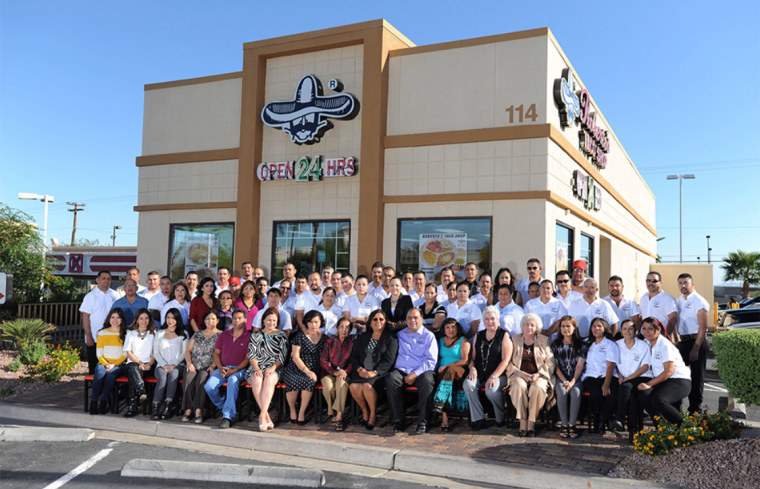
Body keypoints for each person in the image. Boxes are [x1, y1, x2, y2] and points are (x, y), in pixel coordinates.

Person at [387, 308, 438, 433]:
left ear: (421, 319)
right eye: (409, 318)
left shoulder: (428, 336)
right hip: (402, 371)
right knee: (391, 379)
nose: (412, 320)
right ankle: (399, 421)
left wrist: (415, 374)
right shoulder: (400, 334)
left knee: (427, 381)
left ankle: (423, 421)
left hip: (421, 372)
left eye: (415, 317)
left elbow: (431, 361)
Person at [349, 310, 398, 430]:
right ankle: (364, 411)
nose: (378, 322)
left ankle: (372, 414)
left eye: (381, 319)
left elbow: (389, 360)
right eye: (375, 319)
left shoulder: (391, 338)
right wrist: (359, 369)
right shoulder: (363, 337)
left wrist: (374, 372)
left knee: (367, 386)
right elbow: (353, 356)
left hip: (379, 374)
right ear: (370, 322)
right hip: (362, 371)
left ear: (385, 321)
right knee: (353, 386)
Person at [506, 313, 554, 437]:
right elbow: (507, 361)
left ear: (537, 327)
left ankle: (531, 422)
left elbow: (550, 362)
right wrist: (520, 373)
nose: (529, 327)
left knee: (538, 388)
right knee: (518, 386)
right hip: (518, 374)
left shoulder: (543, 340)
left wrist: (539, 374)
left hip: (539, 376)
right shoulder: (514, 339)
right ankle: (522, 421)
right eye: (527, 324)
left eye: (532, 325)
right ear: (522, 326)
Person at [464, 306, 512, 430]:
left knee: (491, 391)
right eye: (487, 319)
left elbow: (505, 360)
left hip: (498, 374)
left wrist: (493, 376)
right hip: (479, 373)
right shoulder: (478, 335)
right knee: (468, 384)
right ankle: (478, 419)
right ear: (483, 321)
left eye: (492, 319)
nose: (490, 322)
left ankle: (500, 417)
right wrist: (472, 368)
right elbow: (472, 358)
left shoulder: (504, 335)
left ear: (498, 320)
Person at [637, 317, 691, 426]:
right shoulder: (647, 343)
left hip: (678, 381)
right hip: (664, 381)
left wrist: (648, 384)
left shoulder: (664, 345)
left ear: (658, 330)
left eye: (650, 329)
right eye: (644, 328)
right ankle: (663, 428)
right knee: (644, 395)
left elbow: (669, 371)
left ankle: (688, 428)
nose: (647, 332)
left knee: (659, 400)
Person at [205, 309, 251, 429]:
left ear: (245, 320)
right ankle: (224, 404)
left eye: (240, 318)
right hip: (223, 368)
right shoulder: (224, 335)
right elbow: (216, 353)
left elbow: (247, 359)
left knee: (232, 381)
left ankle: (227, 416)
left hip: (239, 369)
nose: (236, 321)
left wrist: (234, 371)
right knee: (209, 386)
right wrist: (220, 368)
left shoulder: (249, 337)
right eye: (235, 318)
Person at [248, 307, 289, 431]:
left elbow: (283, 356)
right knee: (257, 379)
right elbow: (252, 354)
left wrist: (273, 367)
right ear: (264, 320)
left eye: (274, 321)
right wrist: (257, 369)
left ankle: (262, 415)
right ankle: (265, 415)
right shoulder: (256, 335)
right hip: (257, 367)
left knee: (269, 378)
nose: (272, 323)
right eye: (269, 320)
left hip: (275, 367)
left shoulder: (282, 335)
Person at [282, 310, 326, 424]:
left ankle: (302, 412)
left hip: (314, 369)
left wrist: (311, 372)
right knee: (294, 382)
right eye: (310, 322)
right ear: (306, 323)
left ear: (321, 323)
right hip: (296, 367)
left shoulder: (324, 338)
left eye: (316, 322)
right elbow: (295, 357)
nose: (313, 325)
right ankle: (292, 409)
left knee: (309, 381)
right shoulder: (299, 336)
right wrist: (306, 370)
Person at [675, 273, 710, 414]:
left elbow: (703, 327)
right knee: (677, 376)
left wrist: (695, 348)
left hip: (697, 342)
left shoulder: (699, 301)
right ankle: (676, 410)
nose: (683, 286)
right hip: (683, 342)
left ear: (692, 284)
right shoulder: (678, 301)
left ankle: (695, 411)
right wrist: (677, 340)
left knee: (696, 379)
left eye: (686, 283)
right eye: (680, 283)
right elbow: (675, 322)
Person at [550, 315, 588, 439]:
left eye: (568, 326)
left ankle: (572, 425)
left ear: (574, 328)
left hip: (576, 377)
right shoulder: (555, 345)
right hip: (561, 377)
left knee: (575, 392)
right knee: (561, 391)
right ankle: (564, 424)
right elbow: (555, 366)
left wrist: (572, 381)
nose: (565, 329)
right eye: (563, 326)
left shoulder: (581, 345)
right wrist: (565, 381)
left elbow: (580, 365)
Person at [614, 319, 651, 442]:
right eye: (624, 328)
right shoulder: (617, 345)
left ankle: (619, 418)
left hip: (642, 376)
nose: (627, 331)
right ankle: (633, 431)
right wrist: (620, 376)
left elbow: (645, 366)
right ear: (621, 331)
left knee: (626, 387)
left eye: (630, 328)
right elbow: (616, 363)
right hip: (624, 379)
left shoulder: (643, 345)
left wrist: (627, 379)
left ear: (635, 331)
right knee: (632, 399)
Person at [181, 309, 221, 423]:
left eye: (213, 318)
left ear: (217, 320)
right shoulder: (197, 334)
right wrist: (189, 363)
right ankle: (188, 409)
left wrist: (213, 366)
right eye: (208, 318)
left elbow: (219, 353)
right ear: (204, 321)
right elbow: (188, 351)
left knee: (201, 379)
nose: (210, 321)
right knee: (188, 378)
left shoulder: (221, 335)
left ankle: (198, 410)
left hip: (208, 366)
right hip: (194, 364)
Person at [581, 317, 619, 434]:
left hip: (607, 375)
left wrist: (606, 384)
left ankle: (602, 419)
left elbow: (610, 365)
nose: (596, 328)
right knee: (597, 394)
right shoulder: (587, 343)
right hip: (591, 376)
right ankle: (599, 421)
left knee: (613, 394)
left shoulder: (610, 344)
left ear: (605, 328)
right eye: (594, 326)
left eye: (599, 326)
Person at [433, 318, 471, 431]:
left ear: (457, 328)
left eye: (453, 327)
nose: (451, 330)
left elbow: (465, 360)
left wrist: (447, 366)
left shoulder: (463, 340)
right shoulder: (440, 341)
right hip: (443, 374)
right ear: (443, 330)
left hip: (459, 371)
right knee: (443, 379)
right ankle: (444, 419)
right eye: (447, 327)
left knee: (449, 371)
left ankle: (439, 406)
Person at [152, 308, 188, 420]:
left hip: (178, 365)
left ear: (177, 319)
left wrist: (174, 364)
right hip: (161, 365)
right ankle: (156, 407)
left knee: (173, 374)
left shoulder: (183, 334)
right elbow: (156, 352)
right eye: (168, 317)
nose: (170, 320)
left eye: (173, 318)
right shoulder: (159, 333)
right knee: (162, 377)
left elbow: (184, 352)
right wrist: (164, 364)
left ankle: (168, 406)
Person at [90, 308, 128, 415]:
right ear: (109, 318)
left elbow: (125, 353)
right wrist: (106, 364)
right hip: (104, 363)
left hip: (119, 364)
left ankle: (104, 401)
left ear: (122, 319)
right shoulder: (102, 333)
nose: (115, 320)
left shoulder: (126, 333)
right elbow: (99, 353)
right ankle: (93, 402)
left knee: (111, 375)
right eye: (113, 317)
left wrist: (114, 364)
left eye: (118, 318)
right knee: (100, 373)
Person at [80, 270, 119, 374]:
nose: (106, 281)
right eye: (103, 278)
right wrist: (88, 336)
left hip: (112, 338)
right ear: (97, 280)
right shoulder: (90, 296)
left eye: (108, 279)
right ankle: (95, 389)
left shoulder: (115, 295)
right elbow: (85, 317)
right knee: (94, 367)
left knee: (110, 367)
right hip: (94, 338)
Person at [320, 317, 354, 431]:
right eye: (342, 327)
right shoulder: (329, 342)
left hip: (344, 373)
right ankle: (333, 411)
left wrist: (346, 371)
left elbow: (354, 361)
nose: (344, 329)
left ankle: (338, 416)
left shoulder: (352, 344)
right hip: (329, 372)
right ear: (337, 328)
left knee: (341, 386)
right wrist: (334, 372)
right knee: (328, 387)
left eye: (347, 327)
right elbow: (323, 360)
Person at [122, 308, 156, 418]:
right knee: (134, 368)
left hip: (149, 365)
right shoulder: (131, 333)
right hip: (134, 363)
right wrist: (140, 363)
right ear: (137, 320)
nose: (144, 321)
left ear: (149, 320)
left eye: (146, 318)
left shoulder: (154, 333)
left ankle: (132, 406)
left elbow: (156, 352)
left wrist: (149, 364)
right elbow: (128, 352)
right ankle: (141, 391)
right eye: (141, 318)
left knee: (134, 375)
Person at [639, 272, 678, 337]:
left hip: (660, 338)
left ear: (660, 283)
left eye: (654, 281)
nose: (650, 283)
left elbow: (673, 319)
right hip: (645, 339)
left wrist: (665, 336)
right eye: (648, 281)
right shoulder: (643, 298)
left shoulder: (668, 299)